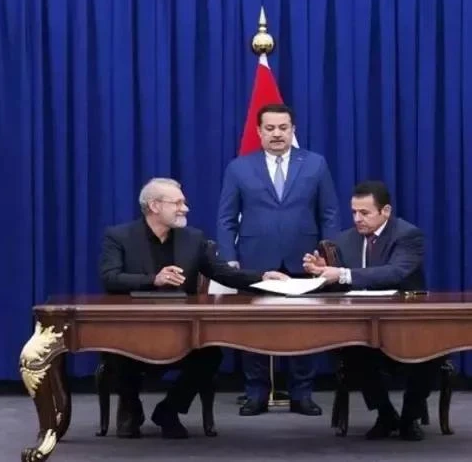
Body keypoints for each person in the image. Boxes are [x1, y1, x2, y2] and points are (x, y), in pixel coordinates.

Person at [100, 177, 288, 438]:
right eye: (177, 203)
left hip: (181, 328)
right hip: (135, 326)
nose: (185, 208)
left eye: (184, 203)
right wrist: (153, 279)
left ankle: (169, 409)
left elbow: (223, 273)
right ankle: (130, 407)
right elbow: (110, 278)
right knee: (117, 351)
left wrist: (262, 277)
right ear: (154, 206)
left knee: (210, 355)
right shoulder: (119, 236)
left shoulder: (193, 238)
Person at [217, 103, 340, 417]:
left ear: (292, 130)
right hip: (255, 261)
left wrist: (328, 256)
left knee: (304, 329)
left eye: (283, 128)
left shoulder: (315, 163)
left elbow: (329, 213)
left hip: (305, 259)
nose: (276, 134)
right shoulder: (239, 167)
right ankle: (256, 394)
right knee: (254, 329)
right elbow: (226, 218)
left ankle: (302, 394)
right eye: (270, 128)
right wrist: (229, 259)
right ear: (259, 131)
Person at [303, 180, 438, 441]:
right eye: (354, 212)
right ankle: (385, 414)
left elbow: (395, 272)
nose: (357, 219)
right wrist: (320, 271)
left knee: (430, 353)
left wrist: (341, 273)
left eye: (364, 213)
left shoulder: (408, 235)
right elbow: (339, 286)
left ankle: (410, 417)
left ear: (385, 211)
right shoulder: (344, 240)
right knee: (352, 348)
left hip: (406, 321)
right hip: (363, 323)